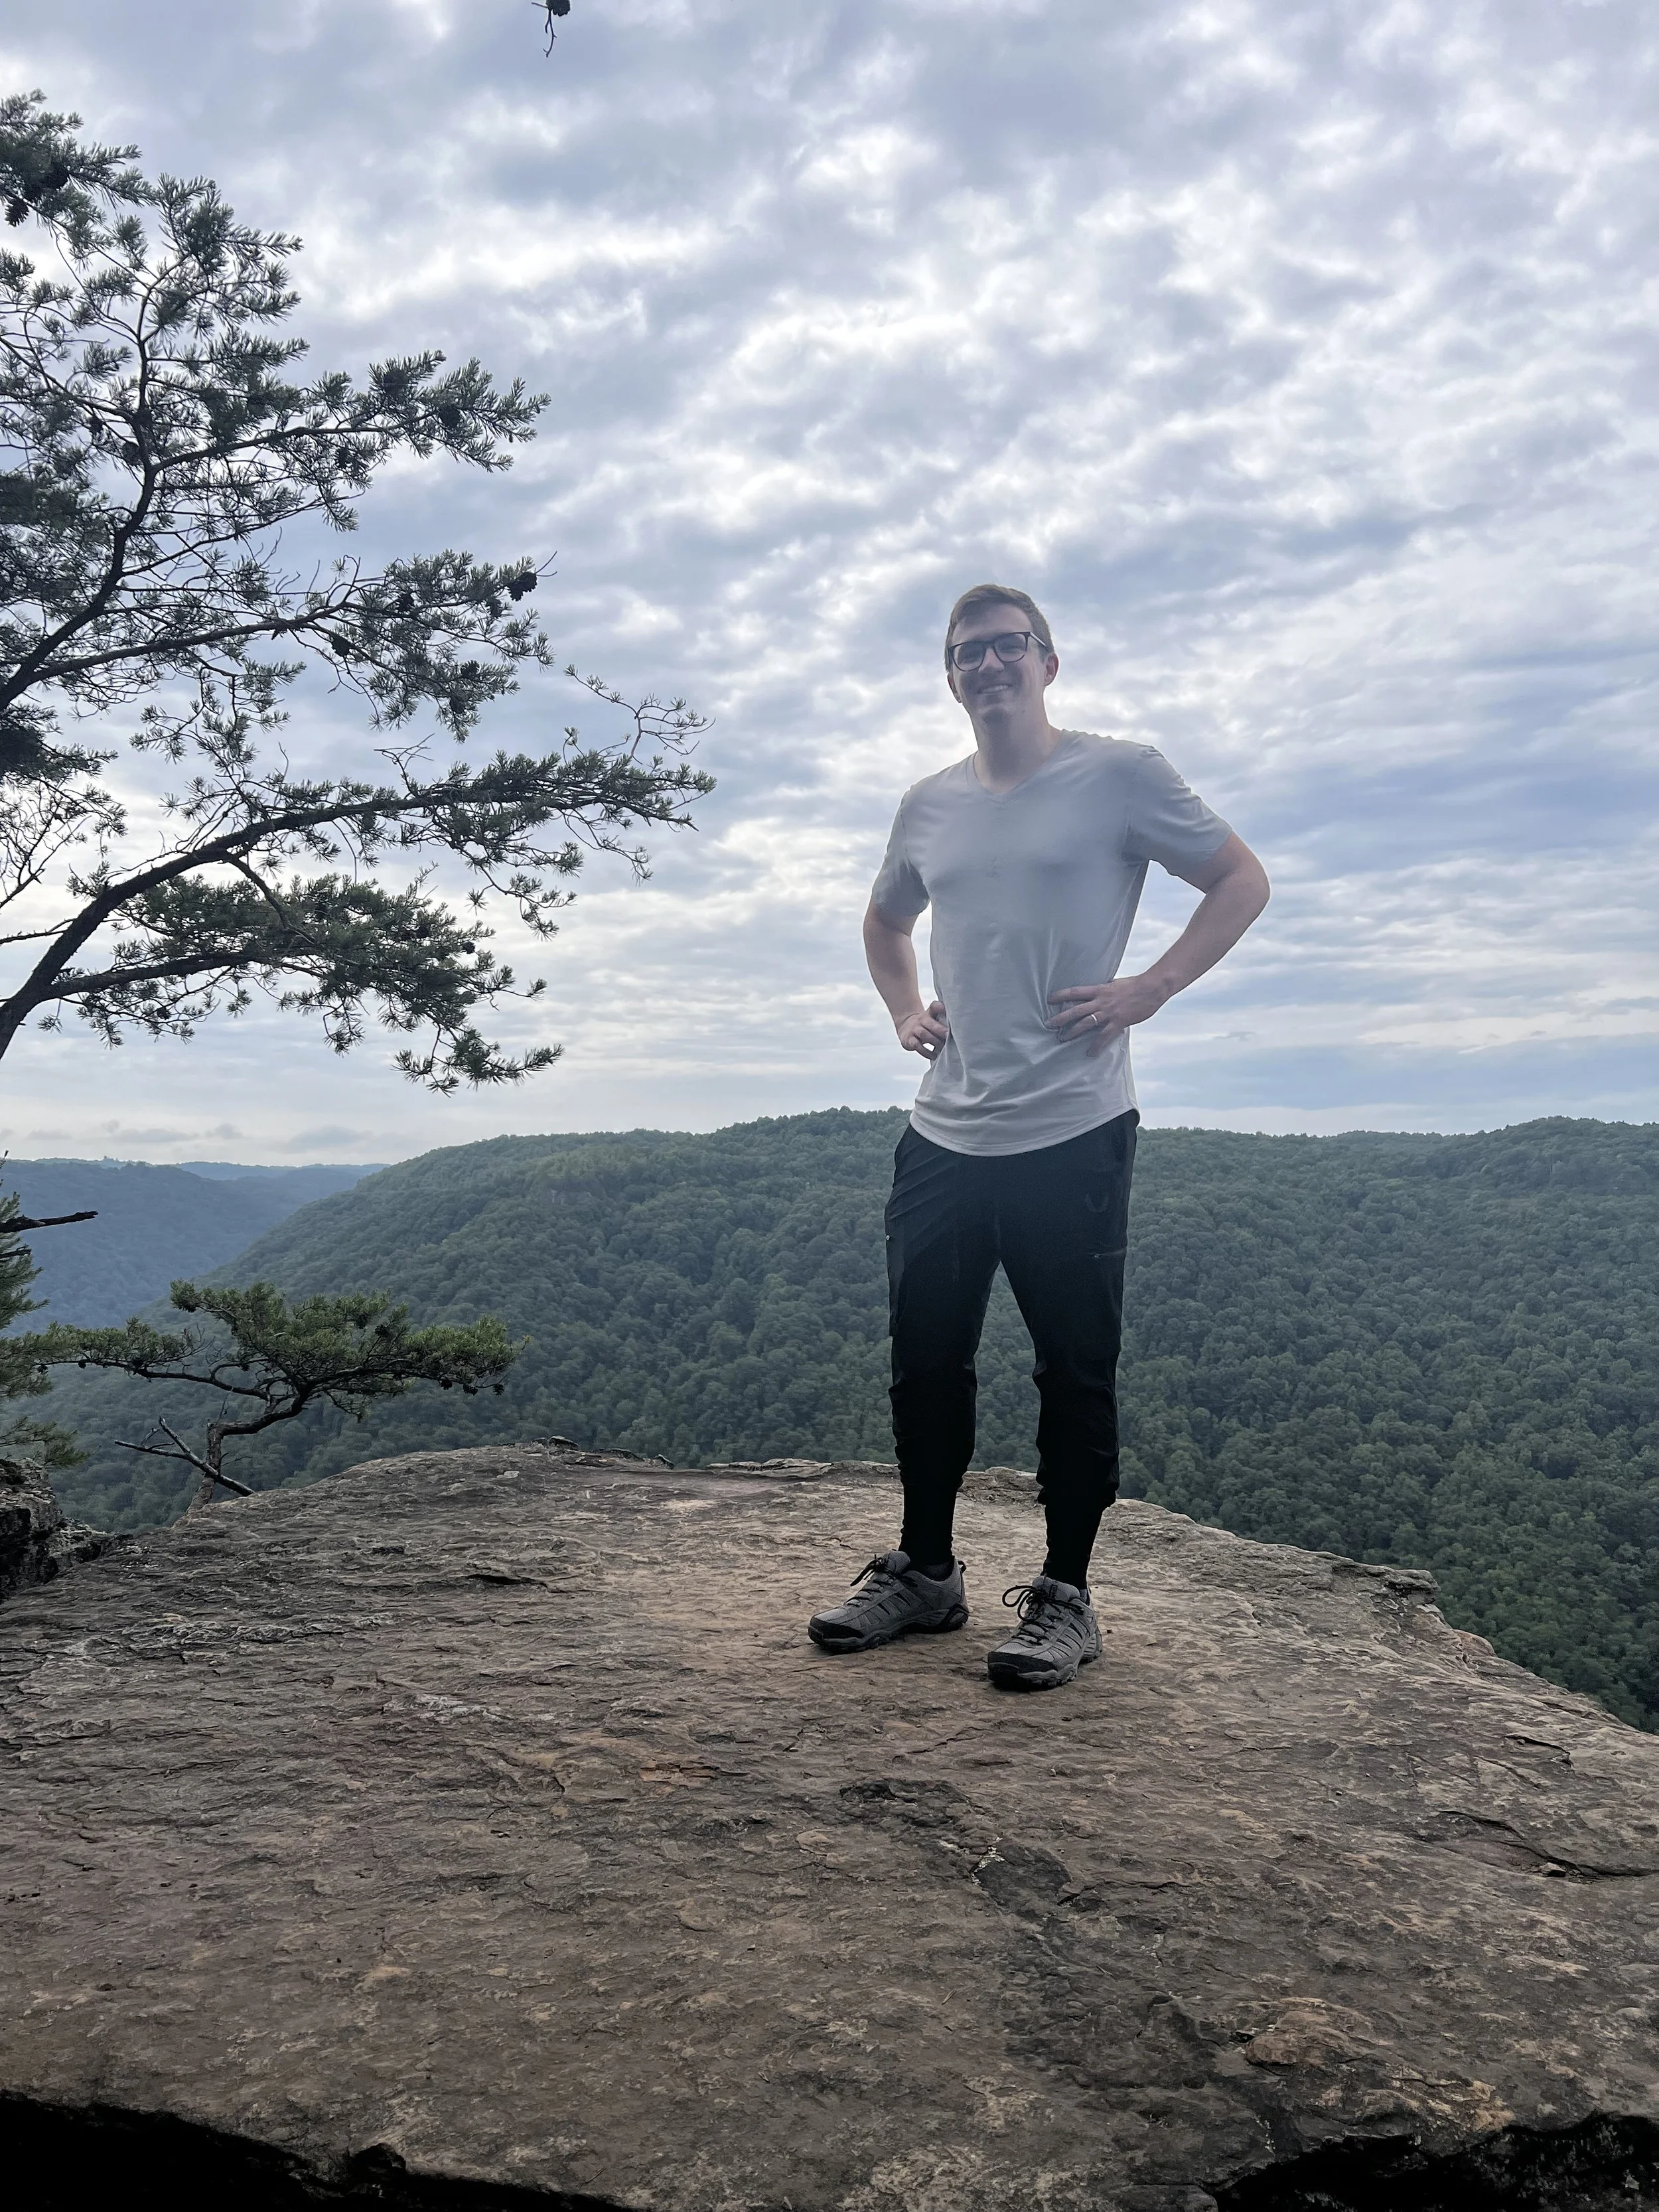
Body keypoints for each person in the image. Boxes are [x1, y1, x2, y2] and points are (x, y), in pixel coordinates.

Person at [808, 584, 1270, 1689]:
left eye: (1011, 646)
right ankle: (926, 1573)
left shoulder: (1119, 774)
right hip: (945, 1133)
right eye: (970, 652)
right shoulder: (928, 805)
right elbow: (885, 920)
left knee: (1075, 1371)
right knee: (925, 1366)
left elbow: (1240, 879)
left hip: (1073, 1129)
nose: (990, 665)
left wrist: (1151, 987)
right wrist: (900, 1009)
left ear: (1049, 664)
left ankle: (1066, 1595)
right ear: (951, 674)